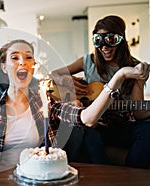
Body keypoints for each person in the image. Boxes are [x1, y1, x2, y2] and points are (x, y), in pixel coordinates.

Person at [0, 39, 149, 176]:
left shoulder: (46, 103)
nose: (22, 62)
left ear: (33, 66)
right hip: (0, 182)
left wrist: (117, 79)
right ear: (3, 67)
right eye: (14, 57)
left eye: (28, 57)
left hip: (41, 180)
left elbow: (86, 118)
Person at [51, 15, 150, 168]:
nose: (104, 47)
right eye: (98, 40)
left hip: (121, 124)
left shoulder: (134, 67)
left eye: (111, 40)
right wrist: (65, 80)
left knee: (146, 131)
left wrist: (141, 79)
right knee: (88, 135)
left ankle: (133, 176)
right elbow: (54, 74)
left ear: (121, 40)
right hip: (95, 124)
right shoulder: (88, 61)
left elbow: (138, 112)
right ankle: (103, 179)